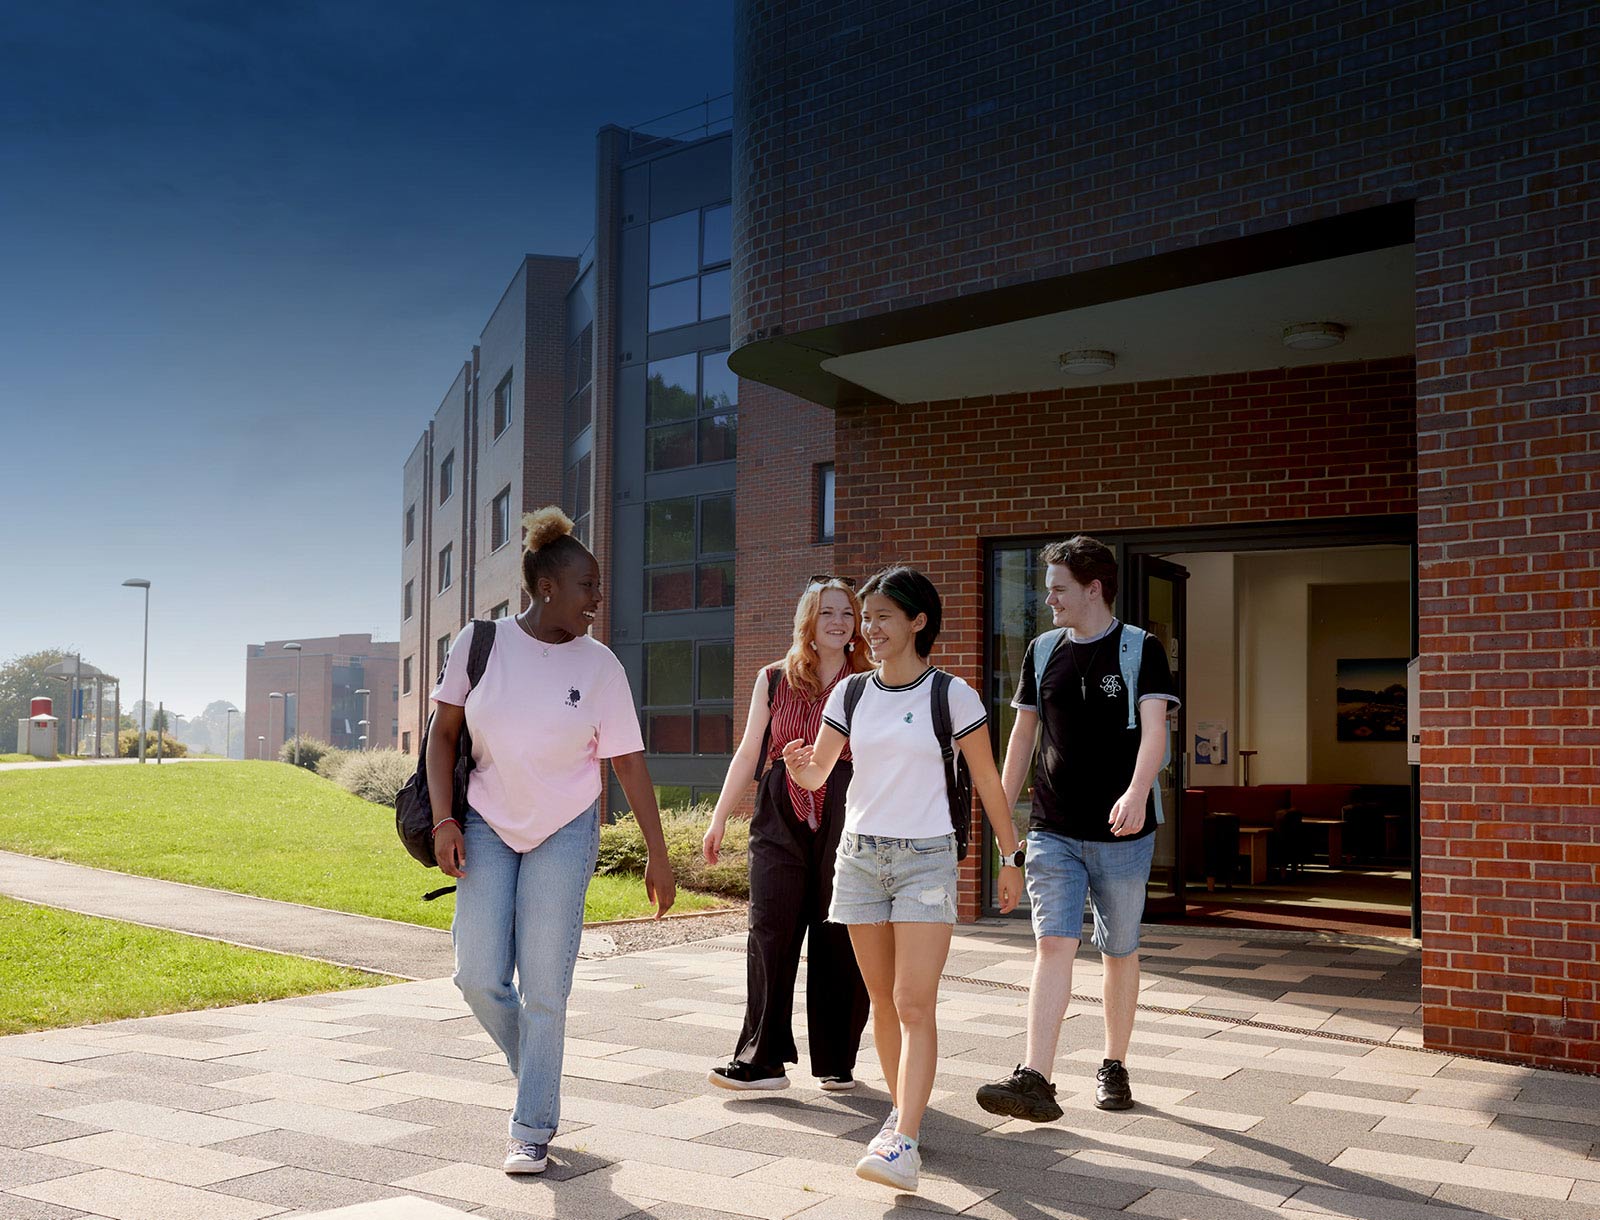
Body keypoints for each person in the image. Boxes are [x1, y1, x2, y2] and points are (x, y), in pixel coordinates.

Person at [427, 506, 675, 1175]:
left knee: (545, 987)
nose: (599, 598)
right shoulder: (479, 644)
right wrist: (446, 820)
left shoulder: (601, 667)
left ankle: (532, 1126)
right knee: (476, 975)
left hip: (565, 829)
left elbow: (627, 763)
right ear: (546, 589)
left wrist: (658, 852)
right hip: (484, 820)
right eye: (587, 585)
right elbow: (443, 734)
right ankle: (535, 1072)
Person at [782, 565, 1024, 1193]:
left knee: (915, 1002)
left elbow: (990, 782)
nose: (870, 628)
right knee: (883, 1002)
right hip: (859, 855)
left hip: (925, 857)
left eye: (883, 616)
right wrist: (799, 768)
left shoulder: (952, 695)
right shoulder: (851, 695)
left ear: (918, 621)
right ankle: (901, 1120)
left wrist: (1010, 857)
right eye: (868, 618)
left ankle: (905, 1141)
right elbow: (818, 778)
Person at [975, 534, 1177, 1122]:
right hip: (1053, 827)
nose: (1050, 601)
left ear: (1094, 588)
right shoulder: (1040, 652)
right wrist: (1001, 820)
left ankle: (1113, 1063)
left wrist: (1138, 793)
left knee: (1119, 949)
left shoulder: (1142, 649)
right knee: (1053, 943)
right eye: (1047, 590)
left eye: (1059, 590)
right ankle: (1036, 1075)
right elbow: (1021, 738)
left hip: (1122, 831)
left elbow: (1155, 730)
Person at [702, 576, 874, 1093]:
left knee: (840, 931)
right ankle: (762, 1059)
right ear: (808, 620)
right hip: (780, 809)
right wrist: (718, 816)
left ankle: (837, 1061)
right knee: (770, 929)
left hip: (848, 804)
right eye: (828, 613)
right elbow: (750, 749)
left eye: (848, 612)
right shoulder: (773, 678)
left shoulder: (869, 679)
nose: (840, 621)